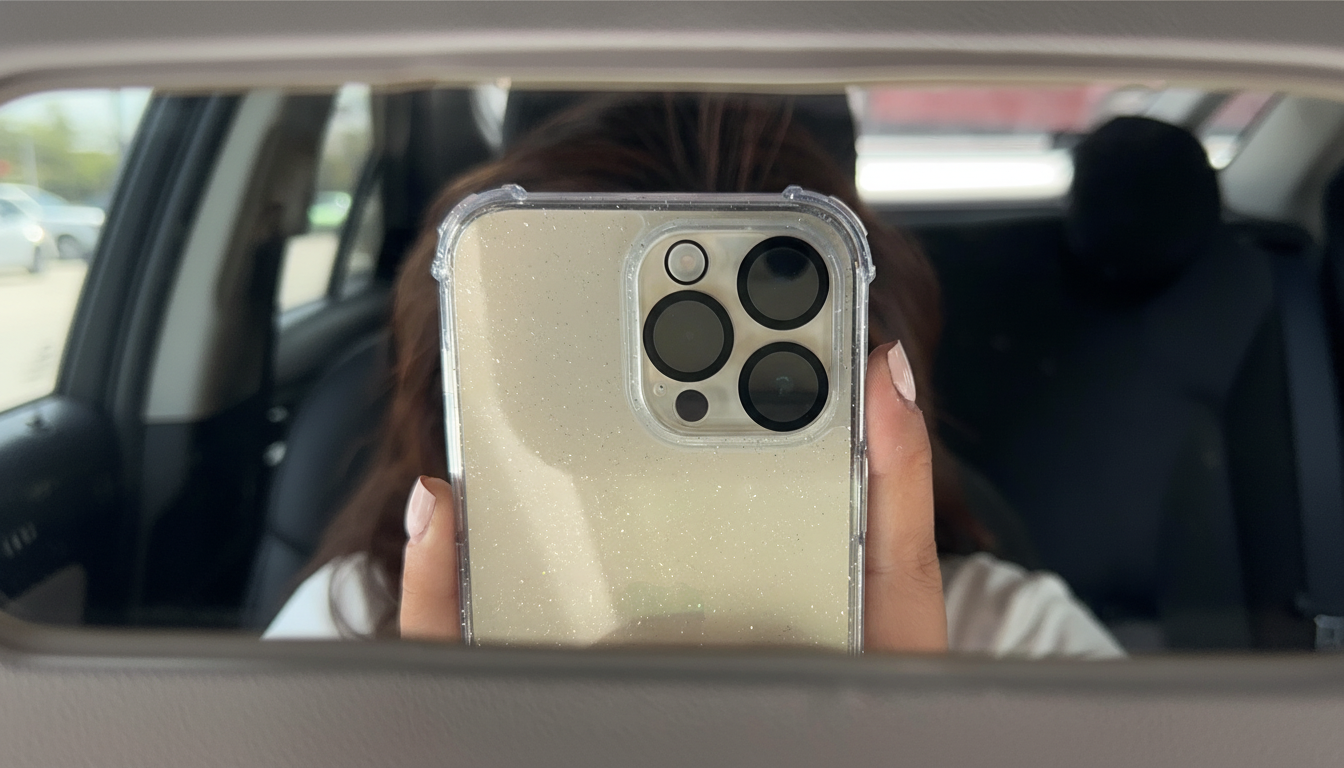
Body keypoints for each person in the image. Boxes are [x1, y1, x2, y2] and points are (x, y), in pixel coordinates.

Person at [265, 93, 1123, 659]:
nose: (650, 471)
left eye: (783, 386)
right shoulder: (354, 627)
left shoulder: (1018, 645)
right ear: (466, 394)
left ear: (871, 393)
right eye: (574, 379)